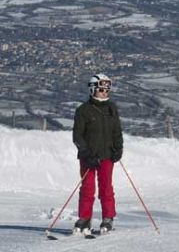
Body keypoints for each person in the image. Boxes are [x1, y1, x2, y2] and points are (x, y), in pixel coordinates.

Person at [72, 73, 123, 235]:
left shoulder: (111, 108)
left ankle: (108, 217)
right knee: (87, 188)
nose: (104, 92)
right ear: (93, 89)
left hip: (107, 155)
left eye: (107, 89)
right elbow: (77, 135)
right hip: (88, 157)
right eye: (101, 89)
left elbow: (117, 131)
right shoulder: (83, 110)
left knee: (106, 187)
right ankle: (84, 218)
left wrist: (118, 149)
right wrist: (86, 153)